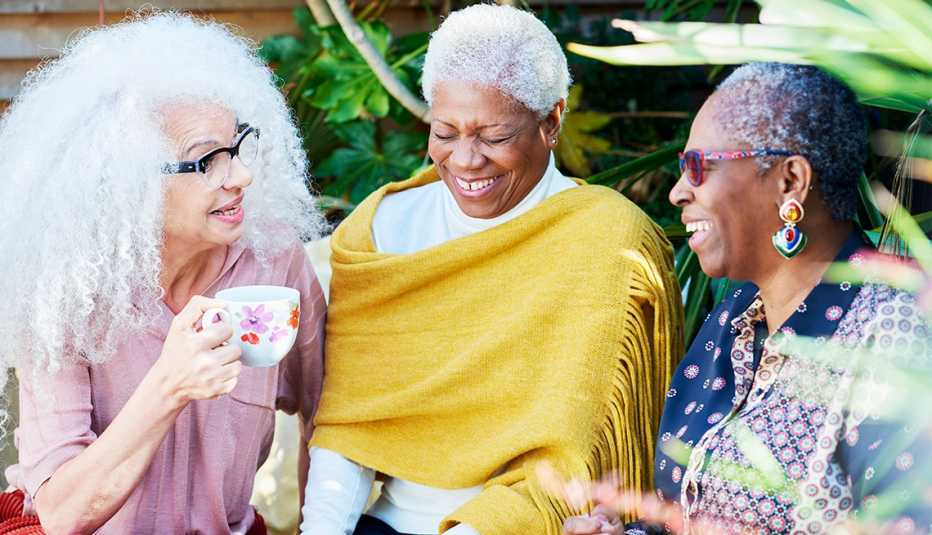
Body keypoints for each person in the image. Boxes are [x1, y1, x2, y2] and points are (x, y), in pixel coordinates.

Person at [299, 4, 684, 535]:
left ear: (551, 121)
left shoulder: (608, 242)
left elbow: (573, 456)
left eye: (493, 136)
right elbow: (351, 427)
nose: (465, 159)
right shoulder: (383, 228)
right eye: (445, 131)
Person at [563, 63, 932, 534]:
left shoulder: (896, 326)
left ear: (790, 181)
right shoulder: (738, 316)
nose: (679, 191)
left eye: (699, 167)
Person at [0, 13, 327, 534]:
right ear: (127, 182)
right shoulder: (65, 289)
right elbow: (62, 515)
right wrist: (171, 386)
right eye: (206, 161)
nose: (241, 175)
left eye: (238, 145)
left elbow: (325, 412)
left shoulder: (274, 260)